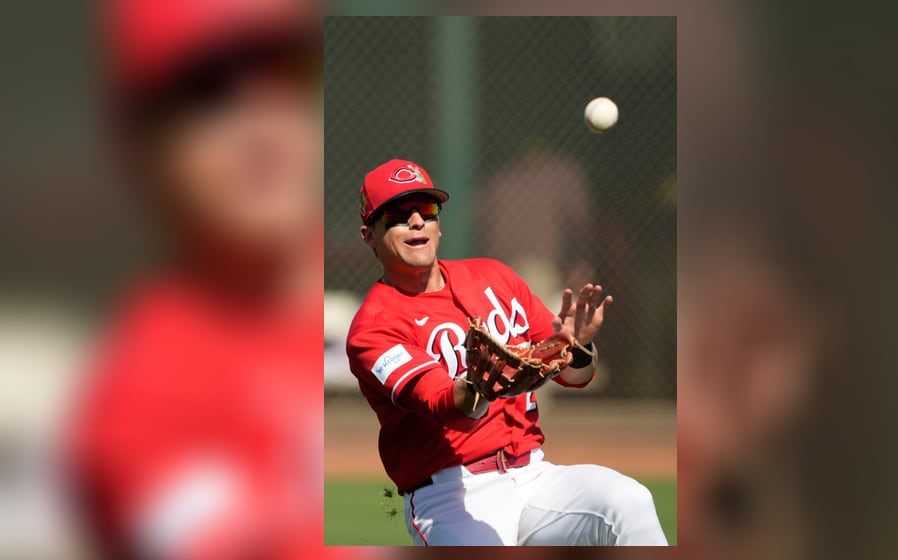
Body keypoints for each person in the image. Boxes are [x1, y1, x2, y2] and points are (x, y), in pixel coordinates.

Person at [67, 1, 324, 558]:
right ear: (138, 148)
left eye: (286, 72)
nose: (263, 122)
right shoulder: (139, 400)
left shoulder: (402, 286)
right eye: (209, 91)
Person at [346, 159, 669, 546]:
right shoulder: (373, 328)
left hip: (534, 476)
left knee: (627, 501)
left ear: (439, 223)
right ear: (369, 235)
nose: (417, 221)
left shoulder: (493, 277)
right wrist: (480, 386)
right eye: (398, 214)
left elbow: (574, 375)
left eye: (426, 210)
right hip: (451, 495)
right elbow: (443, 405)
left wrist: (574, 345)